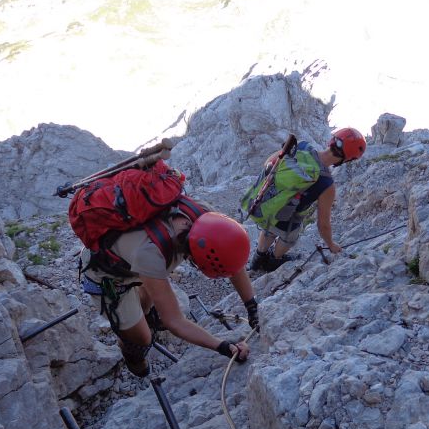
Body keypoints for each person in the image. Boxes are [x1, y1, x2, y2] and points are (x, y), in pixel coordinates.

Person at [81, 203, 260, 378]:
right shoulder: (151, 254)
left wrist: (252, 308)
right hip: (108, 276)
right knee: (142, 338)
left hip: (134, 260)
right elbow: (175, 321)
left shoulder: (203, 218)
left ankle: (146, 315)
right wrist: (222, 346)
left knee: (146, 308)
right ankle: (132, 355)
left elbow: (231, 260)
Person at [247, 127, 366, 272]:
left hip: (268, 205)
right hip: (288, 220)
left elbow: (269, 162)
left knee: (269, 230)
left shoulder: (302, 146)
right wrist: (331, 244)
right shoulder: (327, 185)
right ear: (348, 158)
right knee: (289, 238)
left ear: (332, 140)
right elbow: (323, 225)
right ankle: (273, 260)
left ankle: (257, 259)